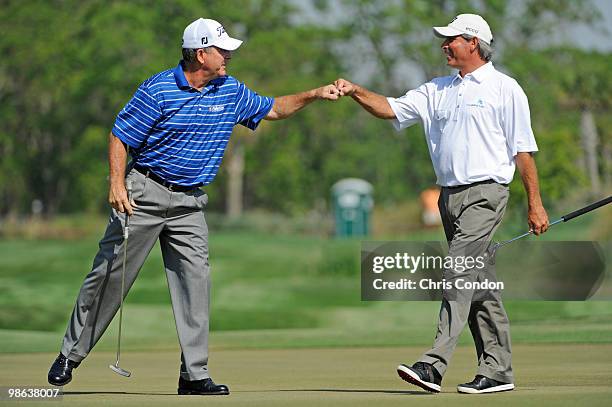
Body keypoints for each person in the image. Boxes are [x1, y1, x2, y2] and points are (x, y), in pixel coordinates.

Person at [47, 17, 340, 395]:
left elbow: (273, 109)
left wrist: (315, 94)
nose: (229, 55)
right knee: (110, 275)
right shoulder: (159, 90)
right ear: (201, 54)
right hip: (144, 194)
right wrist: (117, 183)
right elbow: (120, 135)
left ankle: (194, 374)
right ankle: (70, 354)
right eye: (223, 50)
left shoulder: (230, 90)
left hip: (189, 203)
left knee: (195, 283)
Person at [335, 14, 549, 394]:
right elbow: (390, 108)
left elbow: (523, 152)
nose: (444, 45)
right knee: (479, 284)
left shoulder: (505, 88)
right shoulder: (437, 89)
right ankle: (498, 371)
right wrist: (355, 90)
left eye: (452, 39)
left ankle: (433, 364)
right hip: (448, 197)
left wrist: (536, 203)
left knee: (458, 270)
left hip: (487, 193)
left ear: (473, 43)